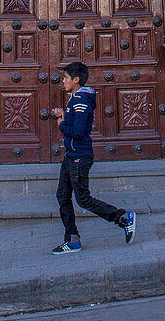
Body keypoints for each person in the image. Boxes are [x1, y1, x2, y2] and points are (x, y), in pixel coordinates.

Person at [51, 60, 136, 254]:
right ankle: (72, 239)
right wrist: (65, 115)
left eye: (66, 78)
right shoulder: (76, 99)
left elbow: (79, 130)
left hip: (79, 156)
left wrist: (61, 123)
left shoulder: (80, 101)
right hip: (71, 155)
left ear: (76, 79)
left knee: (83, 199)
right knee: (63, 195)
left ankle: (123, 218)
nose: (63, 81)